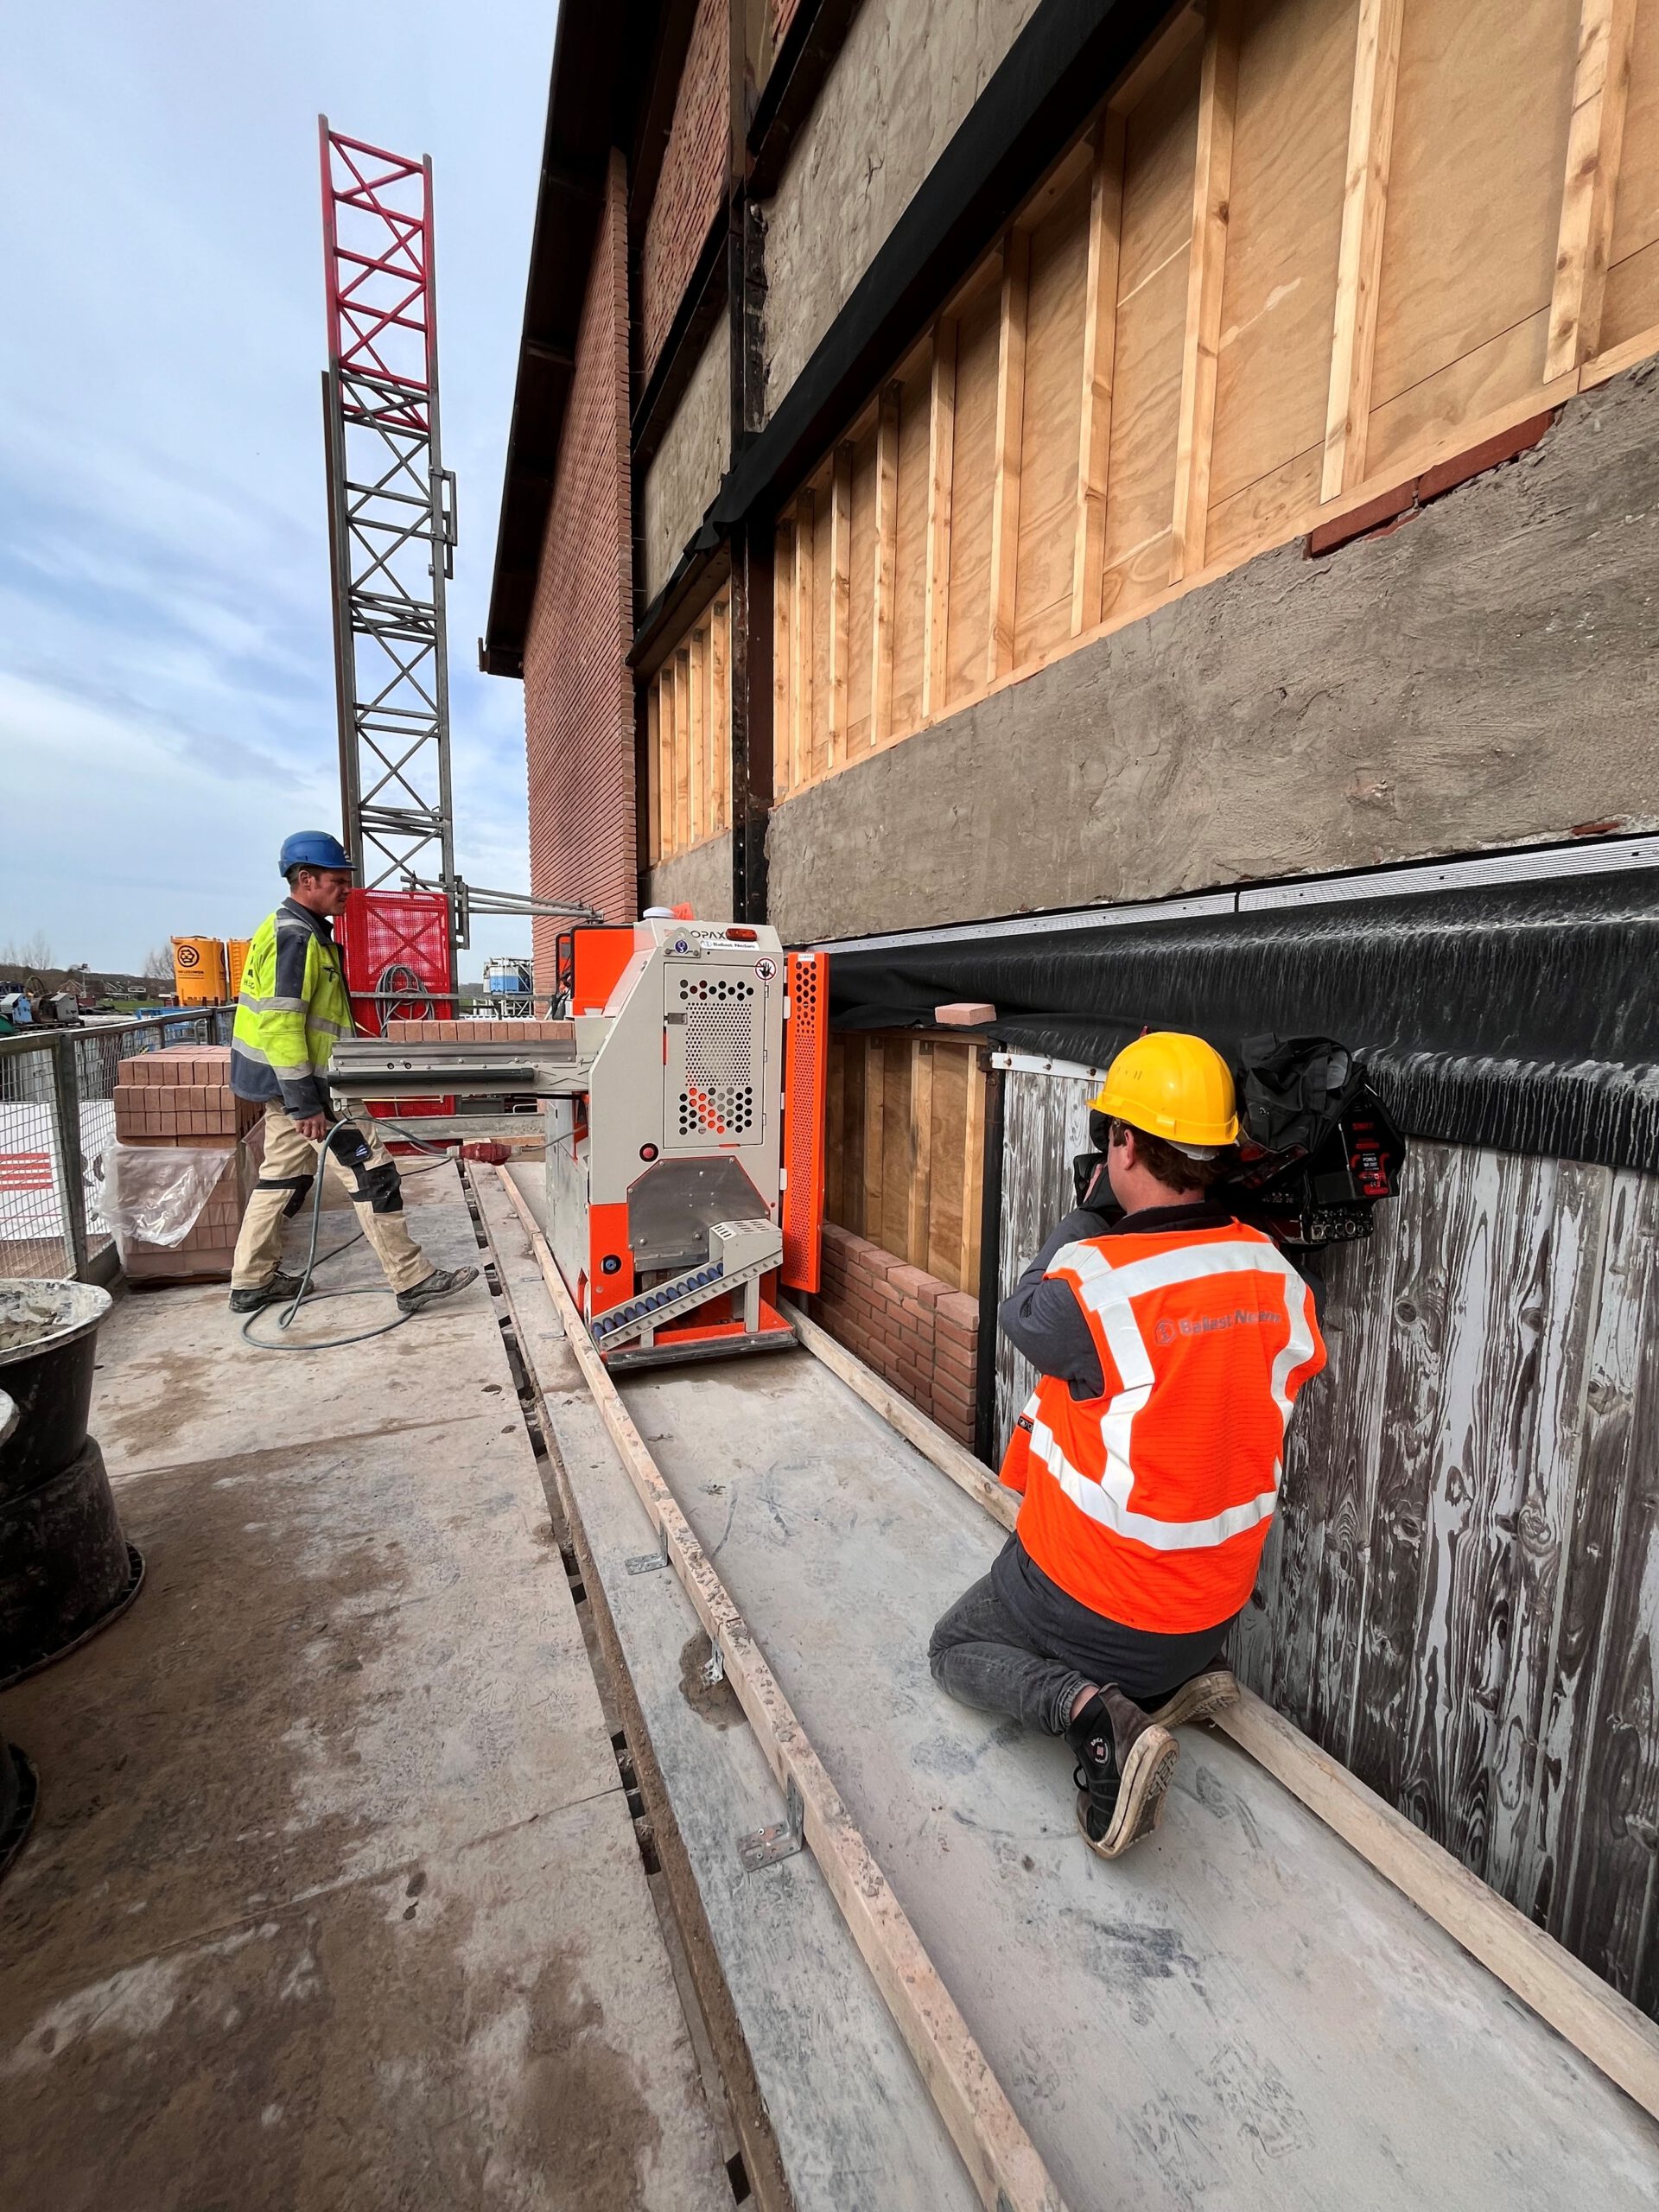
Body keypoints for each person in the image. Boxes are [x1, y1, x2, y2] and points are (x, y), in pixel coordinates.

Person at [930, 1032, 1325, 1860]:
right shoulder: (1279, 1278)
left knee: (955, 1648)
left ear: (1124, 1144)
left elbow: (1021, 1312)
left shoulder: (1095, 1285)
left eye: (1112, 1135)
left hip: (1099, 1607)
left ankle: (1094, 1716)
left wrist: (1087, 1211)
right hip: (1210, 1610)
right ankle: (1168, 1685)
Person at [227, 831, 477, 1318]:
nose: (347, 891)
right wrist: (306, 1105)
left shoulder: (297, 929)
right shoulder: (295, 937)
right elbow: (281, 1024)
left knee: (281, 1178)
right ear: (306, 879)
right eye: (338, 881)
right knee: (373, 1171)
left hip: (287, 1086)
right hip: (309, 1090)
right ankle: (412, 1279)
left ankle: (251, 1281)